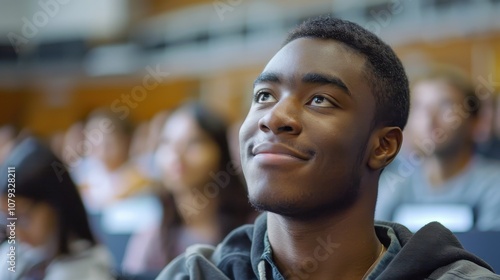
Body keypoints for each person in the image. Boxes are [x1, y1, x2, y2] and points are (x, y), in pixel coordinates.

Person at [156, 16, 499, 279]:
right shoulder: (190, 274)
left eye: (320, 100)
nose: (274, 117)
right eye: (264, 96)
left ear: (383, 146)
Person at [121, 102, 254, 275]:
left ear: (221, 152)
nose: (176, 154)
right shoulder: (152, 238)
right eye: (166, 142)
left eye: (193, 142)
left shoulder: (252, 230)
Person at [376, 66, 500, 231]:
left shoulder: (493, 186)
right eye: (419, 107)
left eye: (445, 106)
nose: (429, 120)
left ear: (475, 122)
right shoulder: (393, 184)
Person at [0, 137, 114, 280]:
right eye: (7, 219)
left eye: (22, 218)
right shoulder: (15, 256)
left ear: (55, 204)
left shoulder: (86, 269)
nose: (15, 232)